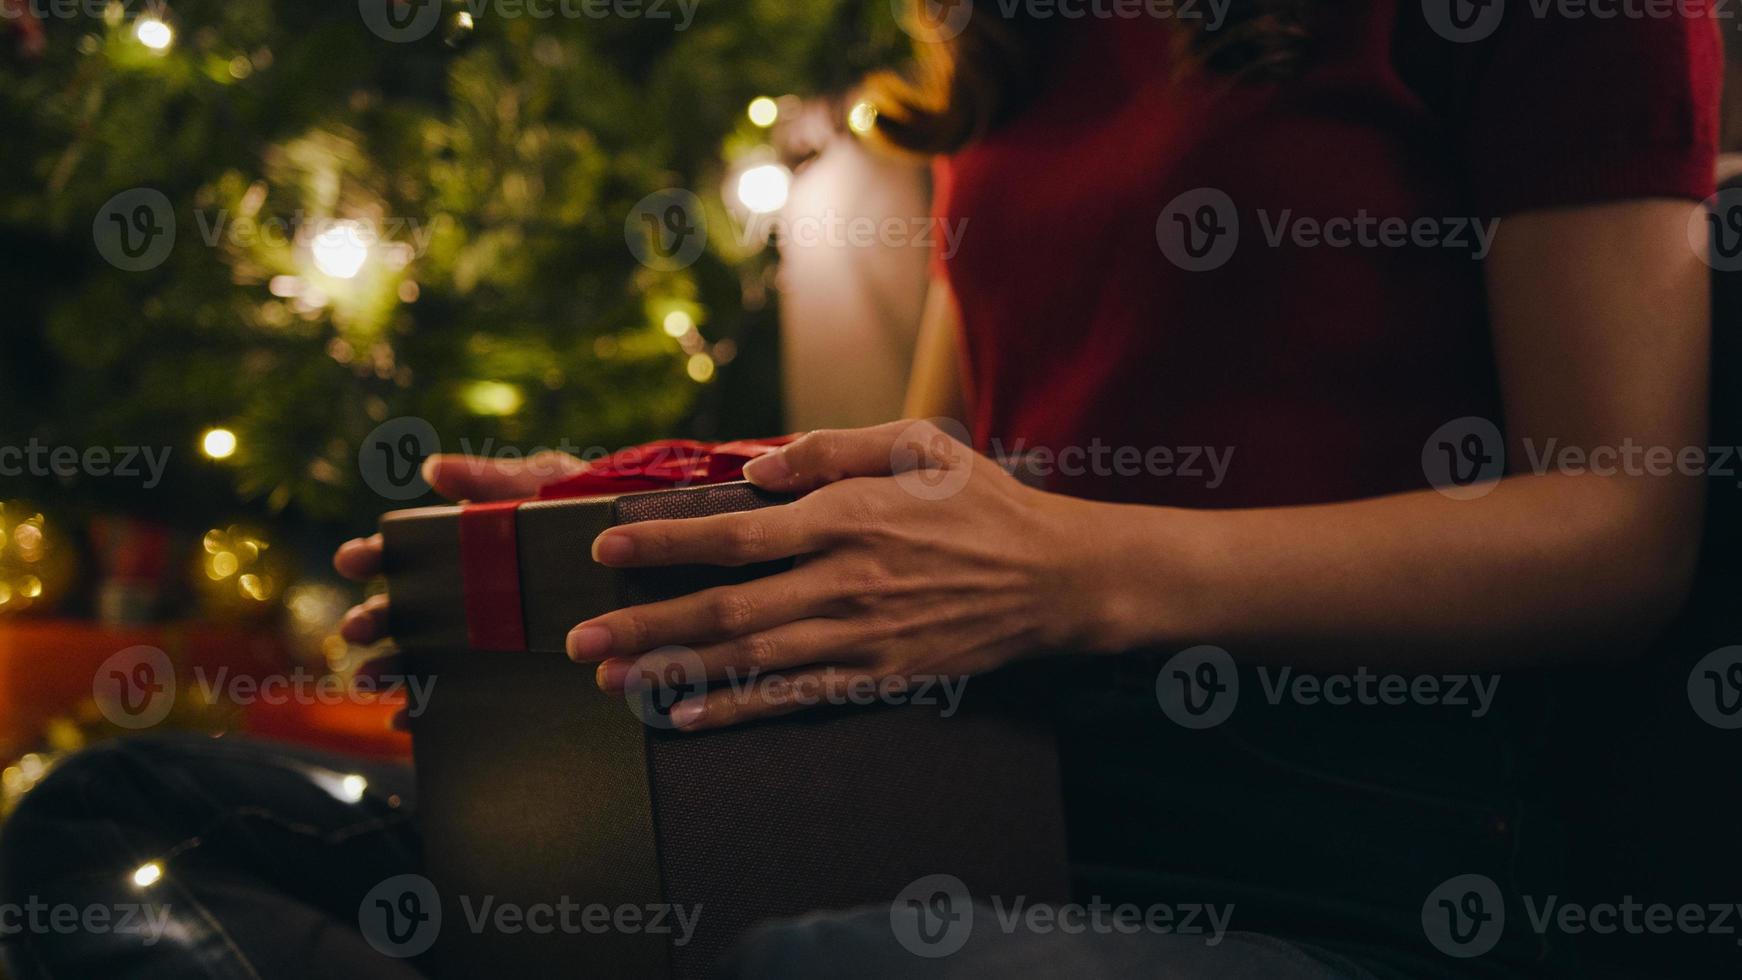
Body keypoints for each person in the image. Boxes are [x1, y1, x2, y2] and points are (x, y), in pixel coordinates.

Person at [0, 1, 1723, 977]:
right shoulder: (1020, 41)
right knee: (113, 816)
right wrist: (652, 509)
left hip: (1325, 846)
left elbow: (1616, 529)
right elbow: (951, 486)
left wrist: (1079, 574)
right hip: (975, 792)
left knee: (830, 964)